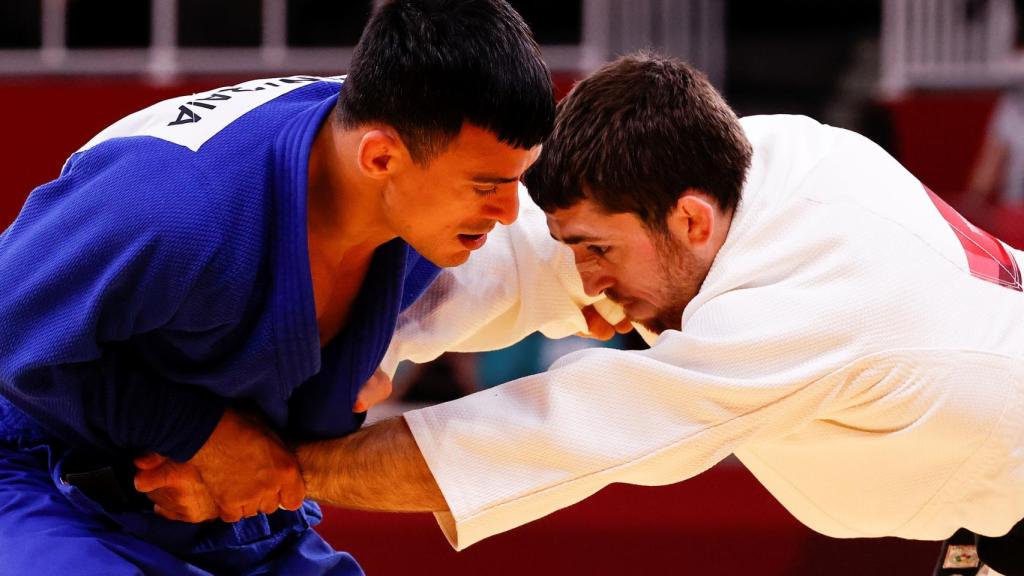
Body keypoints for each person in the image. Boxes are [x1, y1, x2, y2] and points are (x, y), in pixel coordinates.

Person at [278, 53, 1023, 574]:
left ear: (693, 223)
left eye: (600, 251)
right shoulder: (756, 157)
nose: (586, 277)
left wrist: (277, 469)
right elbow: (528, 256)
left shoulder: (809, 308)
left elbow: (552, 435)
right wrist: (372, 347)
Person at [0, 1, 619, 573]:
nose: (509, 210)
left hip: (235, 517)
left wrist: (610, 289)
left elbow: (563, 255)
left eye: (518, 180)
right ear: (379, 160)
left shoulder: (419, 182)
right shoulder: (173, 207)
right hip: (36, 483)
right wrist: (201, 434)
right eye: (488, 187)